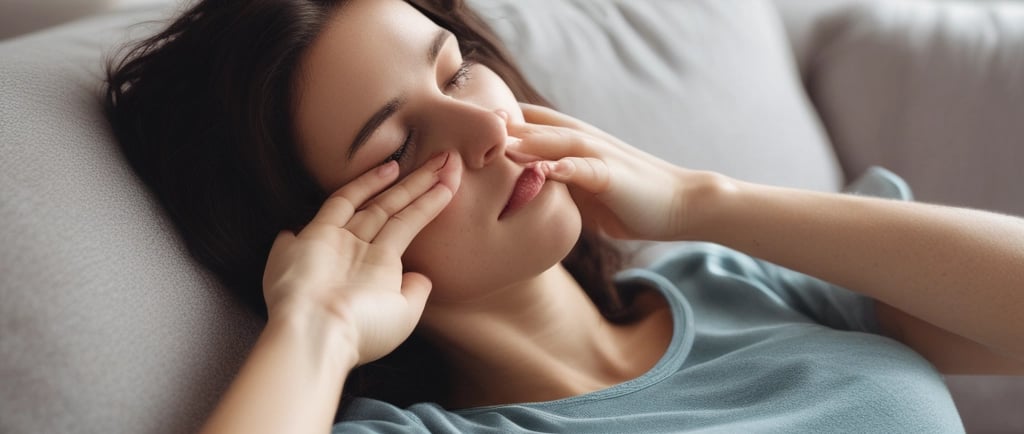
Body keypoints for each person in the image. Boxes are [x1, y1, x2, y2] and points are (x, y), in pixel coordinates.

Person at [104, 0, 1024, 432]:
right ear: (333, 235)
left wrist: (703, 200)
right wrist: (320, 323)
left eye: (456, 68)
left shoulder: (748, 285)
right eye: (400, 145)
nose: (484, 127)